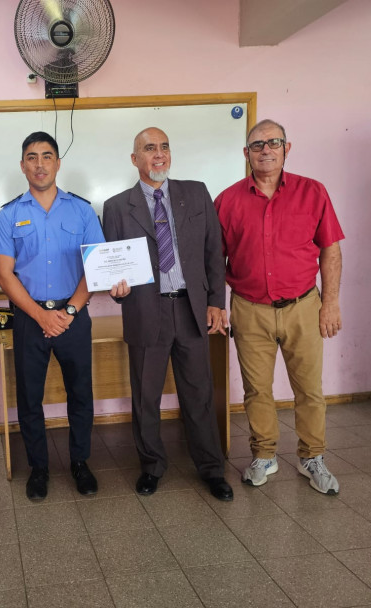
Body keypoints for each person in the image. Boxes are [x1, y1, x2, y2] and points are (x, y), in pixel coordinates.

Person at [214, 119, 345, 495]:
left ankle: (312, 457)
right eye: (257, 145)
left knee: (309, 389)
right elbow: (213, 260)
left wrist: (331, 303)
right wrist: (219, 305)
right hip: (249, 308)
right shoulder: (227, 200)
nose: (266, 150)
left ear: (287, 148)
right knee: (257, 389)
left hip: (304, 305)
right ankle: (264, 454)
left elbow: (330, 250)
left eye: (274, 143)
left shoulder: (313, 192)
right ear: (246, 153)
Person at [102, 127, 233, 502]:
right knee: (146, 397)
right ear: (134, 159)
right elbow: (112, 269)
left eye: (163, 147)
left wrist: (215, 302)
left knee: (200, 393)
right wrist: (117, 288)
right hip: (146, 311)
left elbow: (213, 252)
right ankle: (152, 466)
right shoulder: (115, 207)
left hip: (191, 309)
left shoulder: (196, 193)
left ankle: (211, 469)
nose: (158, 154)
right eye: (148, 149)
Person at [0, 131, 105, 500]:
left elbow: (95, 266)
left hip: (73, 316)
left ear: (58, 163)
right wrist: (41, 316)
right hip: (28, 318)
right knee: (29, 397)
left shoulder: (83, 210)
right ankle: (38, 468)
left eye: (47, 156)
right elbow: (3, 274)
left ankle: (80, 463)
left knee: (80, 394)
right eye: (32, 157)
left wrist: (70, 310)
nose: (40, 164)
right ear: (22, 165)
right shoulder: (9, 215)